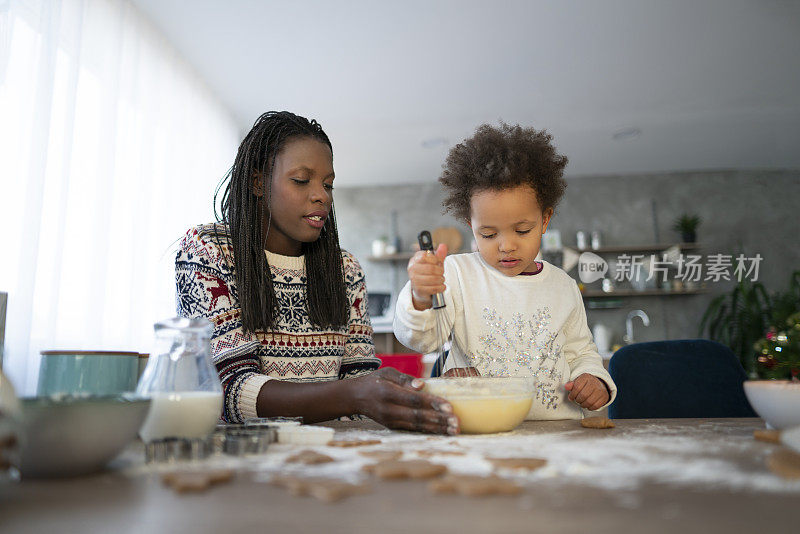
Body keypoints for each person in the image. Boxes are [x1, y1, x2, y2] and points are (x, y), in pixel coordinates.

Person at [175, 111, 457, 434]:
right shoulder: (209, 251)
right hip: (242, 462)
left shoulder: (345, 270)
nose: (321, 195)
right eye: (301, 180)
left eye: (327, 184)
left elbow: (358, 384)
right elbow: (228, 391)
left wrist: (395, 395)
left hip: (329, 460)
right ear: (257, 183)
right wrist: (354, 394)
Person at [393, 122, 617, 420]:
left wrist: (595, 379)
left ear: (545, 220)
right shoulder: (456, 273)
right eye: (488, 234)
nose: (506, 245)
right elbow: (423, 340)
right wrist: (421, 296)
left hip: (558, 435)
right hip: (478, 428)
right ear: (470, 224)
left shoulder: (562, 285)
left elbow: (581, 352)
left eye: (523, 230)